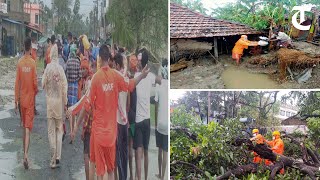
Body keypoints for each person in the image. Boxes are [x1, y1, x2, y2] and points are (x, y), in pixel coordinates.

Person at [88, 44, 150, 180]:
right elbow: (130, 85)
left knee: (100, 171)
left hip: (98, 132)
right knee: (110, 170)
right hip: (111, 133)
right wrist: (142, 76)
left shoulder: (95, 79)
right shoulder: (115, 76)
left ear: (99, 58)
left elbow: (89, 103)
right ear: (109, 58)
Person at [134, 49, 162, 180]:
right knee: (145, 152)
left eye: (137, 60)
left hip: (139, 120)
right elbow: (160, 80)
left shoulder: (135, 77)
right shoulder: (151, 76)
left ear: (140, 62)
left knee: (138, 154)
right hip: (147, 120)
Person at [68, 61, 97, 180]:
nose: (83, 71)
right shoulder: (92, 81)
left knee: (87, 155)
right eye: (82, 69)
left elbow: (85, 105)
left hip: (90, 124)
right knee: (93, 157)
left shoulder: (91, 82)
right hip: (96, 125)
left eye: (85, 68)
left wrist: (76, 127)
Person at [41, 44, 68, 168]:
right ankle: (58, 156)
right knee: (59, 130)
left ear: (51, 54)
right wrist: (65, 102)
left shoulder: (48, 68)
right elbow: (65, 87)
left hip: (50, 104)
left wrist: (48, 86)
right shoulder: (61, 69)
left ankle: (52, 160)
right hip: (59, 104)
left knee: (51, 131)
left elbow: (42, 84)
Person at [14, 37, 38, 169]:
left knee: (24, 126)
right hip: (29, 101)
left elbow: (17, 83)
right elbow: (35, 83)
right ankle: (25, 155)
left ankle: (24, 152)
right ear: (30, 48)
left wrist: (15, 101)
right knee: (28, 128)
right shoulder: (33, 64)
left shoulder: (20, 63)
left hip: (22, 100)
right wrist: (36, 90)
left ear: (24, 47)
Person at [113, 53, 129, 180]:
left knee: (117, 155)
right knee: (125, 154)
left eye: (114, 64)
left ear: (117, 65)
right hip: (125, 122)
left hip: (117, 121)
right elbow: (128, 102)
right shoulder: (127, 78)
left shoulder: (115, 79)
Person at [155, 60, 168, 180]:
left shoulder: (159, 86)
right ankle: (164, 176)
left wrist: (155, 122)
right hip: (167, 124)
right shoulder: (170, 86)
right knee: (165, 152)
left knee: (159, 150)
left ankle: (160, 174)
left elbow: (156, 105)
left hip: (160, 123)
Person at [66, 46, 81, 141]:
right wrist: (76, 80)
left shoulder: (68, 62)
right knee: (74, 110)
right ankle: (74, 133)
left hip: (69, 86)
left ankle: (71, 130)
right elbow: (80, 75)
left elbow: (66, 75)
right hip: (75, 86)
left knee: (70, 109)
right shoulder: (77, 62)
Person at [128, 54, 138, 180]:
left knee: (129, 149)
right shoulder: (138, 79)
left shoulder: (128, 80)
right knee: (134, 149)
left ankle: (130, 175)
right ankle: (134, 175)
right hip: (136, 117)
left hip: (129, 116)